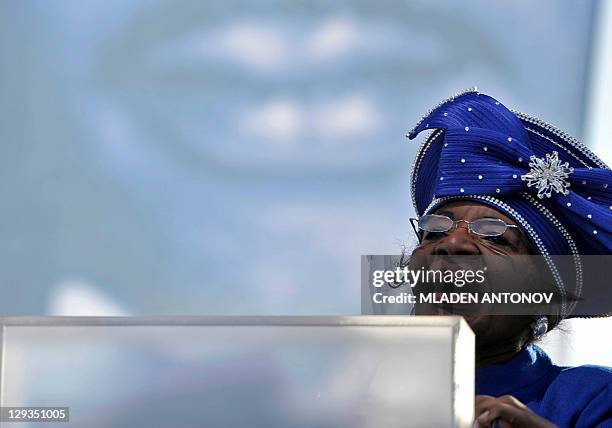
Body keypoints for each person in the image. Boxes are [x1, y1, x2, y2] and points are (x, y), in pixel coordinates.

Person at [406, 89, 612, 427]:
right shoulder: (347, 393)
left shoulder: (595, 399)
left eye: (495, 236)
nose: (453, 243)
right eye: (435, 231)